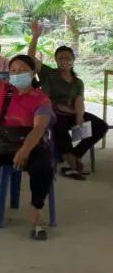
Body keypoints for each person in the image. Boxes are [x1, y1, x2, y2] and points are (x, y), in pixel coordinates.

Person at [0, 33, 53, 241]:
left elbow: (39, 128)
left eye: (23, 70)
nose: (17, 74)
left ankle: (36, 212)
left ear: (33, 73)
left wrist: (25, 151)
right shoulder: (1, 89)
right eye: (13, 70)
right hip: (0, 144)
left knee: (43, 169)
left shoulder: (41, 99)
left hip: (29, 146)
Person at [28, 21, 108, 180]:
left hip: (71, 113)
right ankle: (69, 159)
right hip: (51, 113)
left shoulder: (78, 82)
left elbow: (79, 100)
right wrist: (35, 36)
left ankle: (74, 155)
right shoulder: (49, 74)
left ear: (73, 60)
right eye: (60, 58)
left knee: (100, 126)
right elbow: (30, 58)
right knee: (59, 125)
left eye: (67, 58)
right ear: (56, 60)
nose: (64, 60)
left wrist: (79, 116)